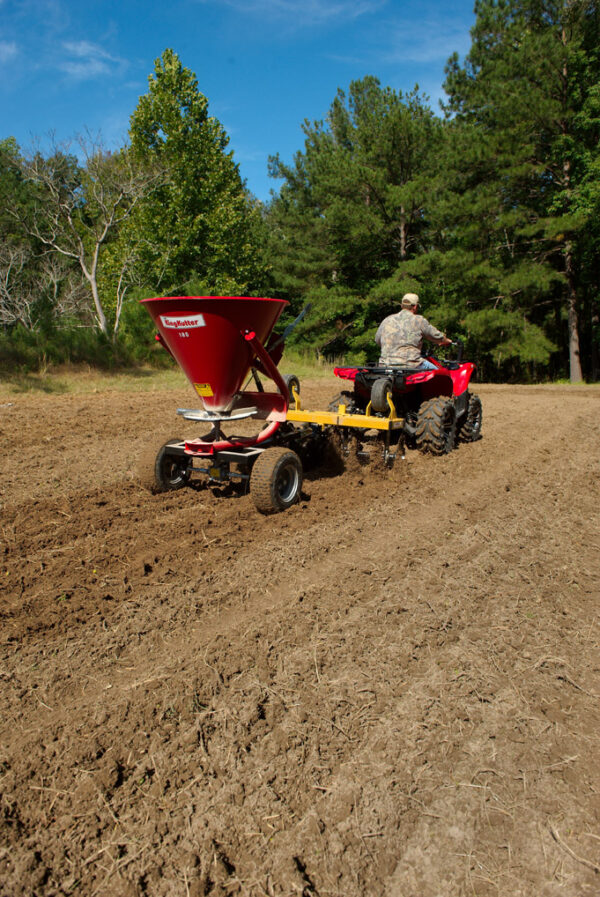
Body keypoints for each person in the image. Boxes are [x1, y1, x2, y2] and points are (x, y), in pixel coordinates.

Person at [374, 293, 452, 369]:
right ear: (415, 306)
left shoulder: (387, 320)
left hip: (385, 365)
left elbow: (377, 340)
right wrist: (446, 341)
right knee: (441, 373)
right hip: (411, 365)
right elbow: (436, 336)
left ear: (401, 305)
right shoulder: (418, 320)